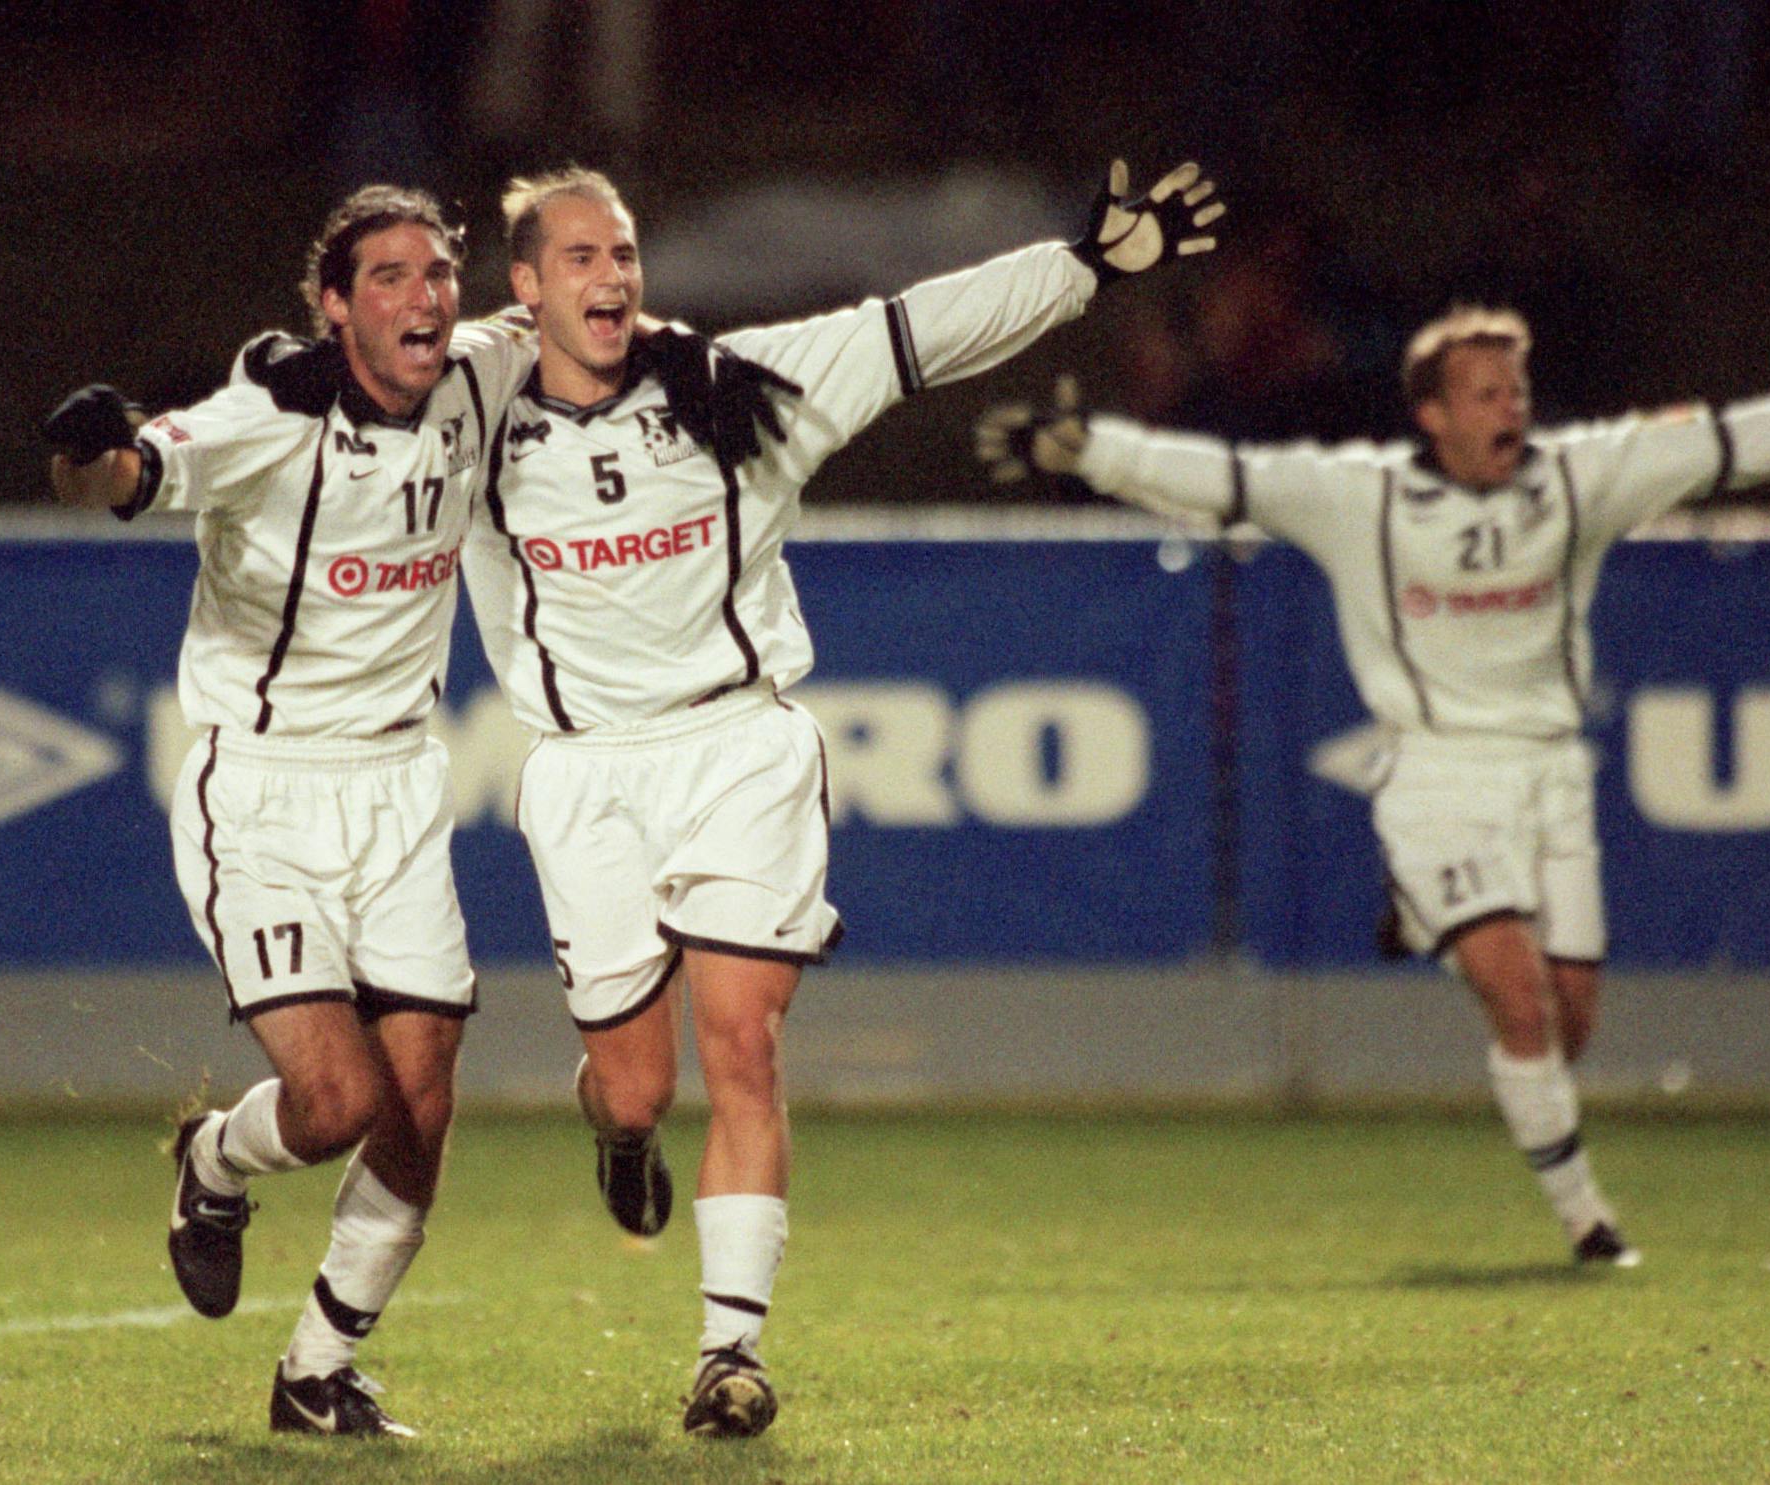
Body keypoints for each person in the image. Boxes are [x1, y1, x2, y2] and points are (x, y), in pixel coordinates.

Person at [462, 158, 1223, 1438]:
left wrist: (1085, 265)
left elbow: (919, 329)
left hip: (741, 748)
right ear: (527, 285)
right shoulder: (467, 418)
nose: (611, 276)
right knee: (639, 1086)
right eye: (579, 258)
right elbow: (345, 398)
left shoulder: (740, 387)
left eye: (625, 253)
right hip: (585, 769)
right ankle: (617, 1130)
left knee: (744, 1045)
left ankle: (728, 1356)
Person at [976, 305, 1770, 1268]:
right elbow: (1219, 478)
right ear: (1433, 415)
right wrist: (1084, 449)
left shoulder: (1579, 481)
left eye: (1518, 389)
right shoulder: (1358, 497)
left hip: (1551, 776)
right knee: (1522, 1005)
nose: (1511, 409)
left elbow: (1734, 442)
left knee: (1570, 1021)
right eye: (1486, 392)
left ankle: (1426, 917)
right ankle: (1588, 1222)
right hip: (1435, 774)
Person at [41, 185, 537, 1438]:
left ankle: (316, 1376)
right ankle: (213, 1160)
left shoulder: (480, 373)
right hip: (258, 792)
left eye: (438, 274)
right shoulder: (266, 417)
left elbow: (591, 331)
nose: (424, 298)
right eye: (389, 278)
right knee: (338, 1108)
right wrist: (83, 446)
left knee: (421, 1104)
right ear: (333, 305)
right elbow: (118, 478)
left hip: (399, 785)